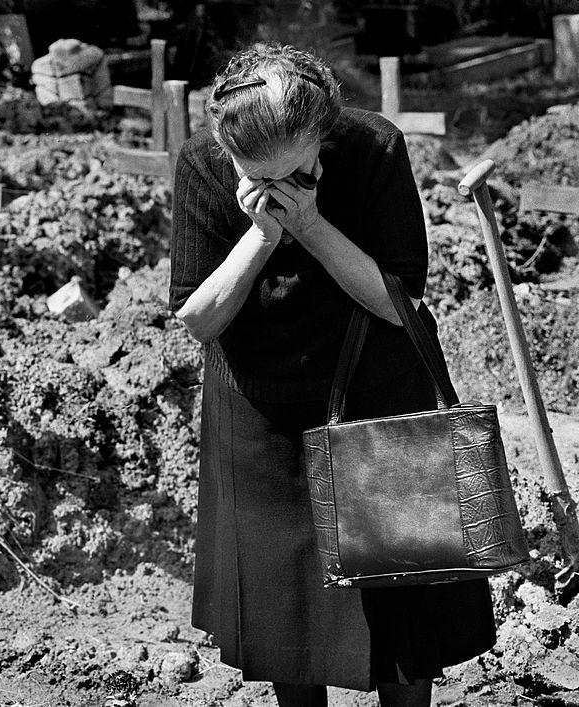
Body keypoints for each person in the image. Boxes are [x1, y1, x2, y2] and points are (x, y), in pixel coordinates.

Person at [168, 42, 497, 706]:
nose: (276, 191)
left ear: (323, 135)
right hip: (262, 416)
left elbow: (397, 301)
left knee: (404, 619)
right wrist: (260, 235)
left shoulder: (374, 147)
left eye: (294, 172)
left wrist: (310, 224)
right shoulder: (203, 165)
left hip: (378, 395)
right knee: (286, 622)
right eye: (257, 177)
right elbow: (198, 319)